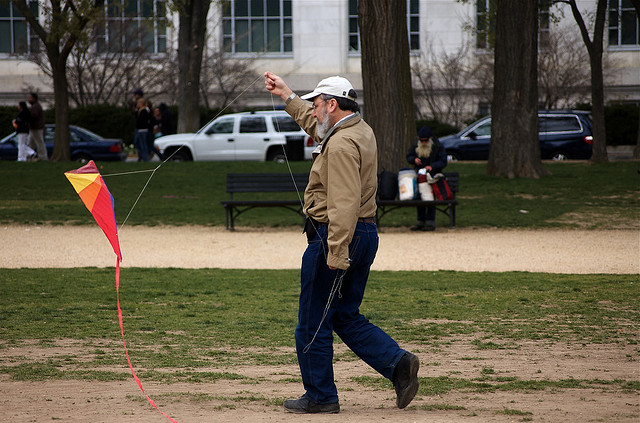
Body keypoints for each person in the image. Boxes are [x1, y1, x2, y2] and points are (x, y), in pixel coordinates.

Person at [265, 71, 419, 414]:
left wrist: (336, 252)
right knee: (345, 316)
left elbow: (344, 204)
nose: (314, 109)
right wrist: (287, 95)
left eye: (317, 103)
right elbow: (315, 123)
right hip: (363, 234)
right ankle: (398, 364)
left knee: (312, 322)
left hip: (336, 237)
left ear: (332, 105)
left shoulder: (340, 144)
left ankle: (321, 396)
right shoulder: (358, 130)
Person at [406, 126, 448, 231]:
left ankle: (430, 222)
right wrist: (414, 160)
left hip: (432, 177)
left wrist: (432, 166)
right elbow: (409, 156)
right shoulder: (416, 145)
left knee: (430, 199)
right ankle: (420, 221)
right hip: (420, 176)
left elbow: (443, 161)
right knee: (420, 198)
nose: (424, 143)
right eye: (422, 140)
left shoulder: (437, 146)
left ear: (430, 139)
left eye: (426, 140)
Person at [27, 93, 48, 161]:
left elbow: (34, 116)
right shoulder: (35, 106)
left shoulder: (36, 107)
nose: (29, 99)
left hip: (37, 128)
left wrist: (27, 118)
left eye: (30, 98)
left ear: (34, 98)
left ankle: (43, 157)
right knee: (30, 143)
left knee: (39, 142)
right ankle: (29, 156)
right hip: (34, 128)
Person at [134, 97, 151, 161]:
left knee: (143, 144)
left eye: (139, 103)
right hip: (140, 129)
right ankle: (142, 156)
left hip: (143, 129)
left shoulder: (144, 111)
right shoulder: (139, 110)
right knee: (138, 143)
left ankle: (145, 158)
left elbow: (142, 121)